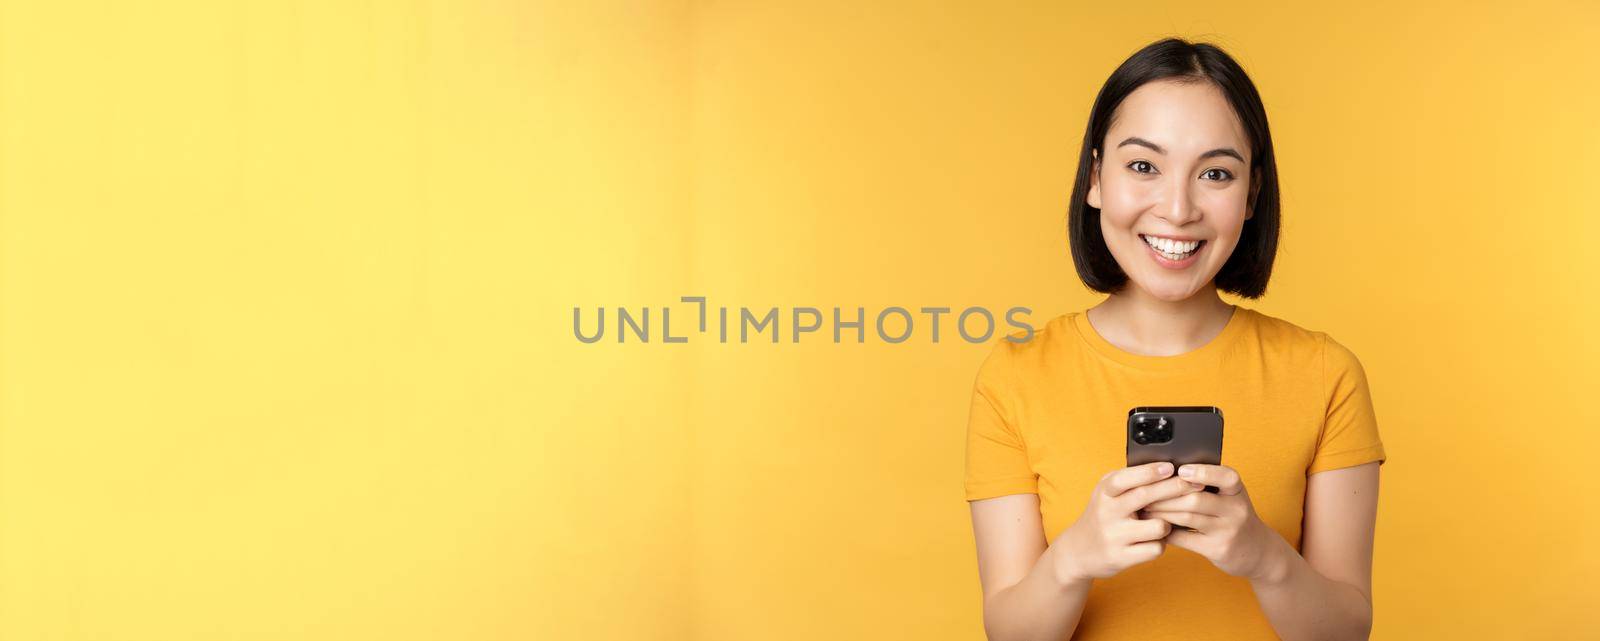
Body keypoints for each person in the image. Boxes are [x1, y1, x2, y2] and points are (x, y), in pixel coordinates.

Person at [964, 37, 1386, 641]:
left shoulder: (1325, 374)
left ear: (1251, 196)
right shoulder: (1015, 376)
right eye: (1143, 166)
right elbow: (1010, 633)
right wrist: (1074, 559)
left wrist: (1264, 558)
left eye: (1215, 173)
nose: (1178, 208)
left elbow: (1346, 632)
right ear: (1094, 179)